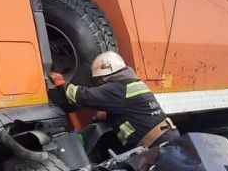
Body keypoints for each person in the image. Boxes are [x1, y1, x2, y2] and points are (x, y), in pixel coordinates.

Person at [48, 52, 178, 150]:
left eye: (98, 80)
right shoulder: (132, 83)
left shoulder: (117, 88)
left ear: (104, 75)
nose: (99, 83)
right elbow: (132, 109)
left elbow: (83, 96)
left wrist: (61, 84)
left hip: (157, 144)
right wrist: (110, 115)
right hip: (166, 137)